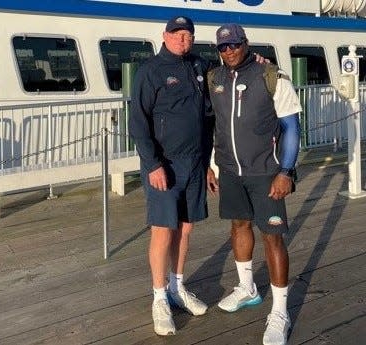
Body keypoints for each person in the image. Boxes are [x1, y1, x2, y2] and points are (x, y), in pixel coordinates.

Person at [206, 23, 302, 345]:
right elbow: (217, 127)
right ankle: (247, 288)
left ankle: (280, 312)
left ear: (245, 43)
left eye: (234, 44)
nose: (229, 51)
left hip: (266, 171)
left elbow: (291, 128)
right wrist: (211, 166)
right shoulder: (214, 79)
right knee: (238, 225)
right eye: (223, 47)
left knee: (273, 237)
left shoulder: (271, 76)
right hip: (230, 171)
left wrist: (286, 171)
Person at [129, 16, 214, 336]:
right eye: (177, 34)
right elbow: (138, 122)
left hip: (194, 163)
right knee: (163, 231)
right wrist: (152, 165)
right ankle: (159, 298)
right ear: (164, 36)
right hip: (164, 165)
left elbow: (209, 114)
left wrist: (207, 164)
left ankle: (179, 287)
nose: (183, 39)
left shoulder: (199, 66)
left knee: (186, 228)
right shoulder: (150, 71)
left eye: (188, 34)